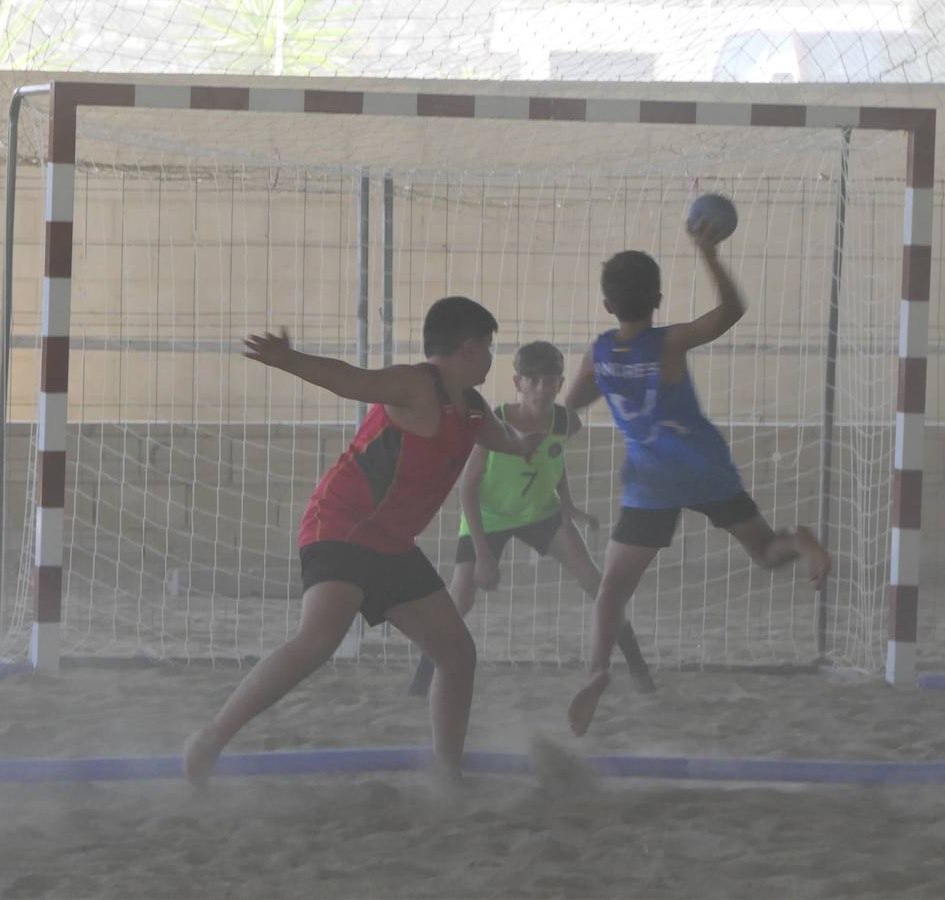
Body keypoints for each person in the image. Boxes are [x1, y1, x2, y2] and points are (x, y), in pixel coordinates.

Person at [182, 297, 540, 790]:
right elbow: (354, 381)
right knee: (318, 639)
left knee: (457, 654)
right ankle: (210, 740)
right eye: (489, 348)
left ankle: (446, 772)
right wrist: (291, 360)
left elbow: (499, 436)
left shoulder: (472, 409)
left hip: (392, 545)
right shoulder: (416, 384)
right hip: (343, 524)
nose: (491, 358)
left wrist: (524, 443)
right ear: (468, 348)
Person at [563, 216, 830, 737]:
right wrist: (707, 254)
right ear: (658, 298)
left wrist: (538, 436)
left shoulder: (600, 353)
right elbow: (732, 311)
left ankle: (597, 672)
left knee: (613, 590)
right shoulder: (669, 344)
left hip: (651, 481)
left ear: (607, 306)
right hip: (704, 465)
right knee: (765, 554)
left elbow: (570, 411)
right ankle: (798, 541)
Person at [408, 340, 655, 697]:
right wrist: (483, 553)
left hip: (541, 512)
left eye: (551, 380)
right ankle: (422, 679)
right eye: (533, 380)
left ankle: (637, 666)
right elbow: (467, 490)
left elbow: (555, 458)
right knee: (460, 597)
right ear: (518, 382)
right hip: (490, 516)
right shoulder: (494, 421)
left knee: (596, 582)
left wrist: (567, 503)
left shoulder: (566, 422)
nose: (542, 388)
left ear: (560, 382)